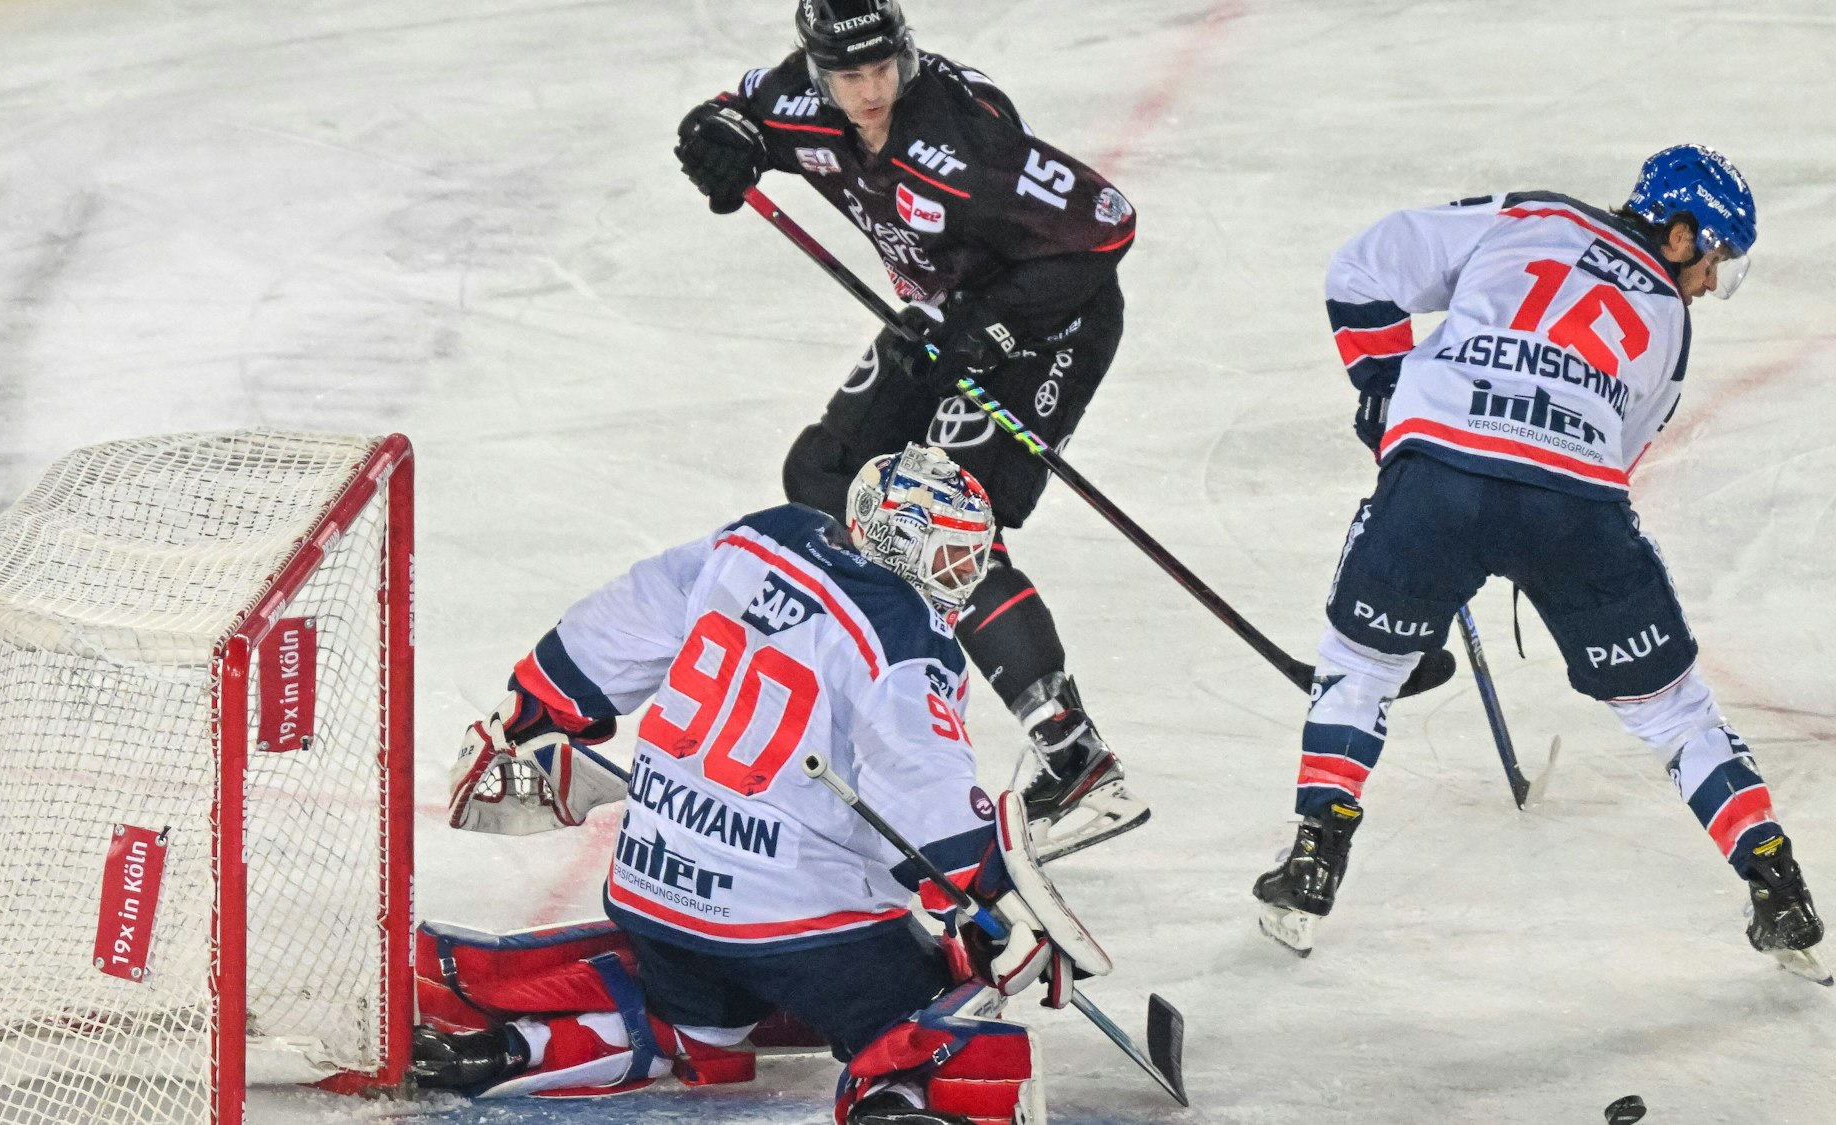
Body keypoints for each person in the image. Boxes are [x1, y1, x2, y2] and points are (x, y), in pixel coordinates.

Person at [1251, 145, 1827, 981]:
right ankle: (1776, 881)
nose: (1710, 283)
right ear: (1676, 234)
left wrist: (1386, 392)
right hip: (1575, 508)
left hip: (1439, 475)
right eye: (1713, 260)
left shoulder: (1531, 216)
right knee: (1672, 710)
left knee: (1362, 665)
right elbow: (1616, 459)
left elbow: (1362, 266)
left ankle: (1313, 860)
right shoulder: (1669, 326)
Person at [425, 444, 1107, 1124]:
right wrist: (995, 896)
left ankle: (516, 1047)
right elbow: (922, 793)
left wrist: (538, 700)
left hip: (654, 893)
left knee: (691, 1016)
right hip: (796, 929)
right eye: (950, 554)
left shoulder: (760, 536)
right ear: (900, 541)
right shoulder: (906, 636)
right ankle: (897, 1101)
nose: (961, 575)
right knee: (931, 998)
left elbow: (622, 618)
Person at [671, 0, 1144, 858]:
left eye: (883, 67)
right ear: (817, 70)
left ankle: (1074, 756)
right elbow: (733, 113)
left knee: (940, 522)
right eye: (849, 76)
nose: (871, 89)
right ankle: (875, 707)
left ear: (906, 53)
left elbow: (1107, 226)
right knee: (825, 473)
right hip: (940, 318)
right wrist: (715, 139)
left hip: (1047, 326)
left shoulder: (963, 144)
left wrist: (986, 325)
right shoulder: (800, 101)